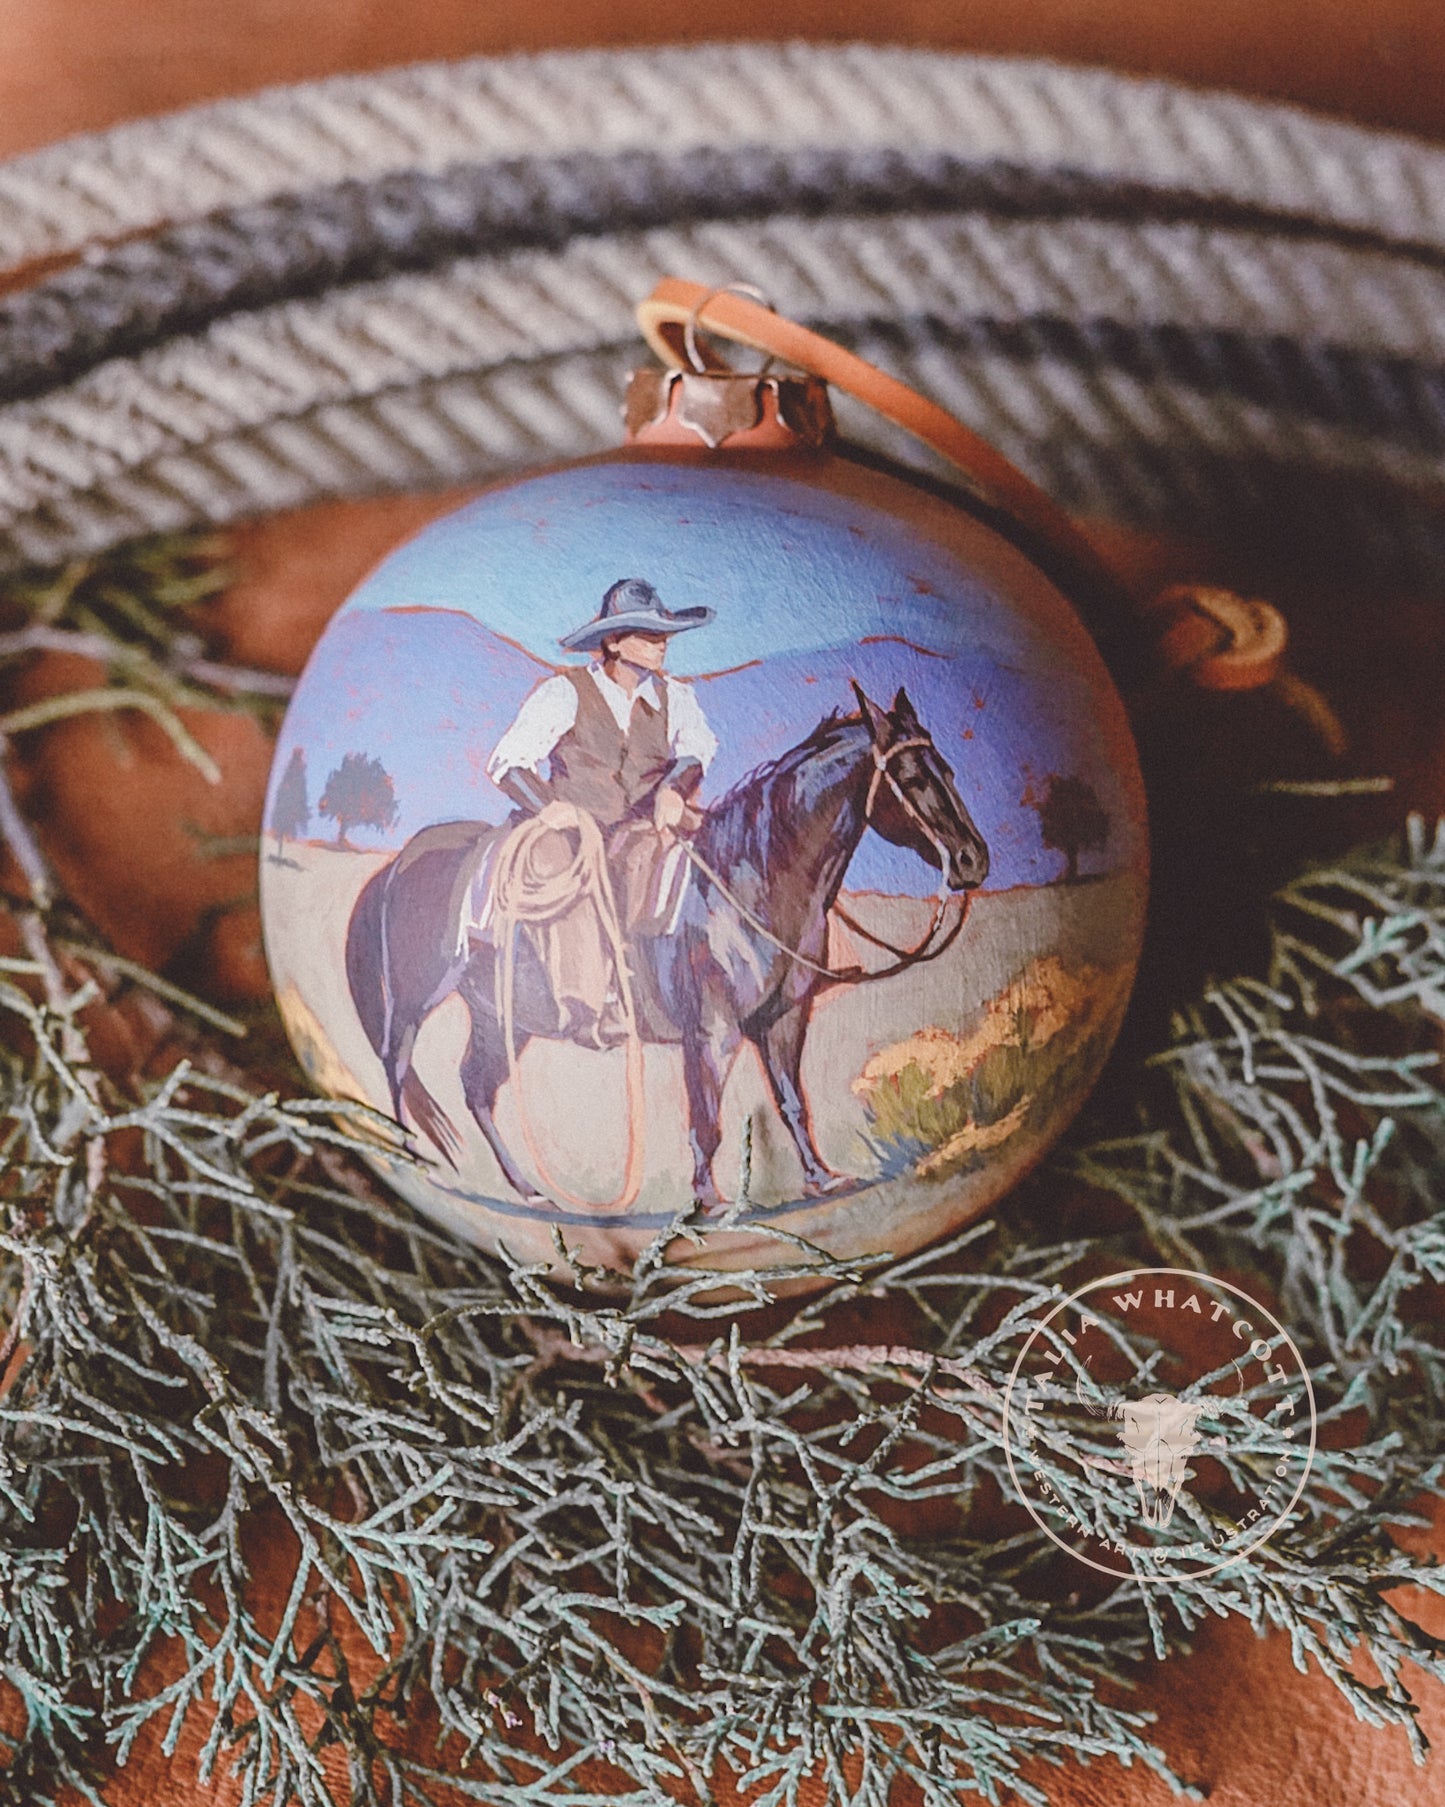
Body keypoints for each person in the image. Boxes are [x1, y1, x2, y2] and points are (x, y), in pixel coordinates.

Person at [485, 577, 718, 1046]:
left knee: (670, 862)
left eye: (664, 635)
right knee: (564, 869)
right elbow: (507, 762)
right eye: (649, 635)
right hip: (573, 828)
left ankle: (662, 987)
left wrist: (674, 789)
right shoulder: (565, 693)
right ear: (613, 642)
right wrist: (551, 807)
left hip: (638, 828)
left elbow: (697, 750)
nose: (662, 644)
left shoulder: (675, 698)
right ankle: (586, 1002)